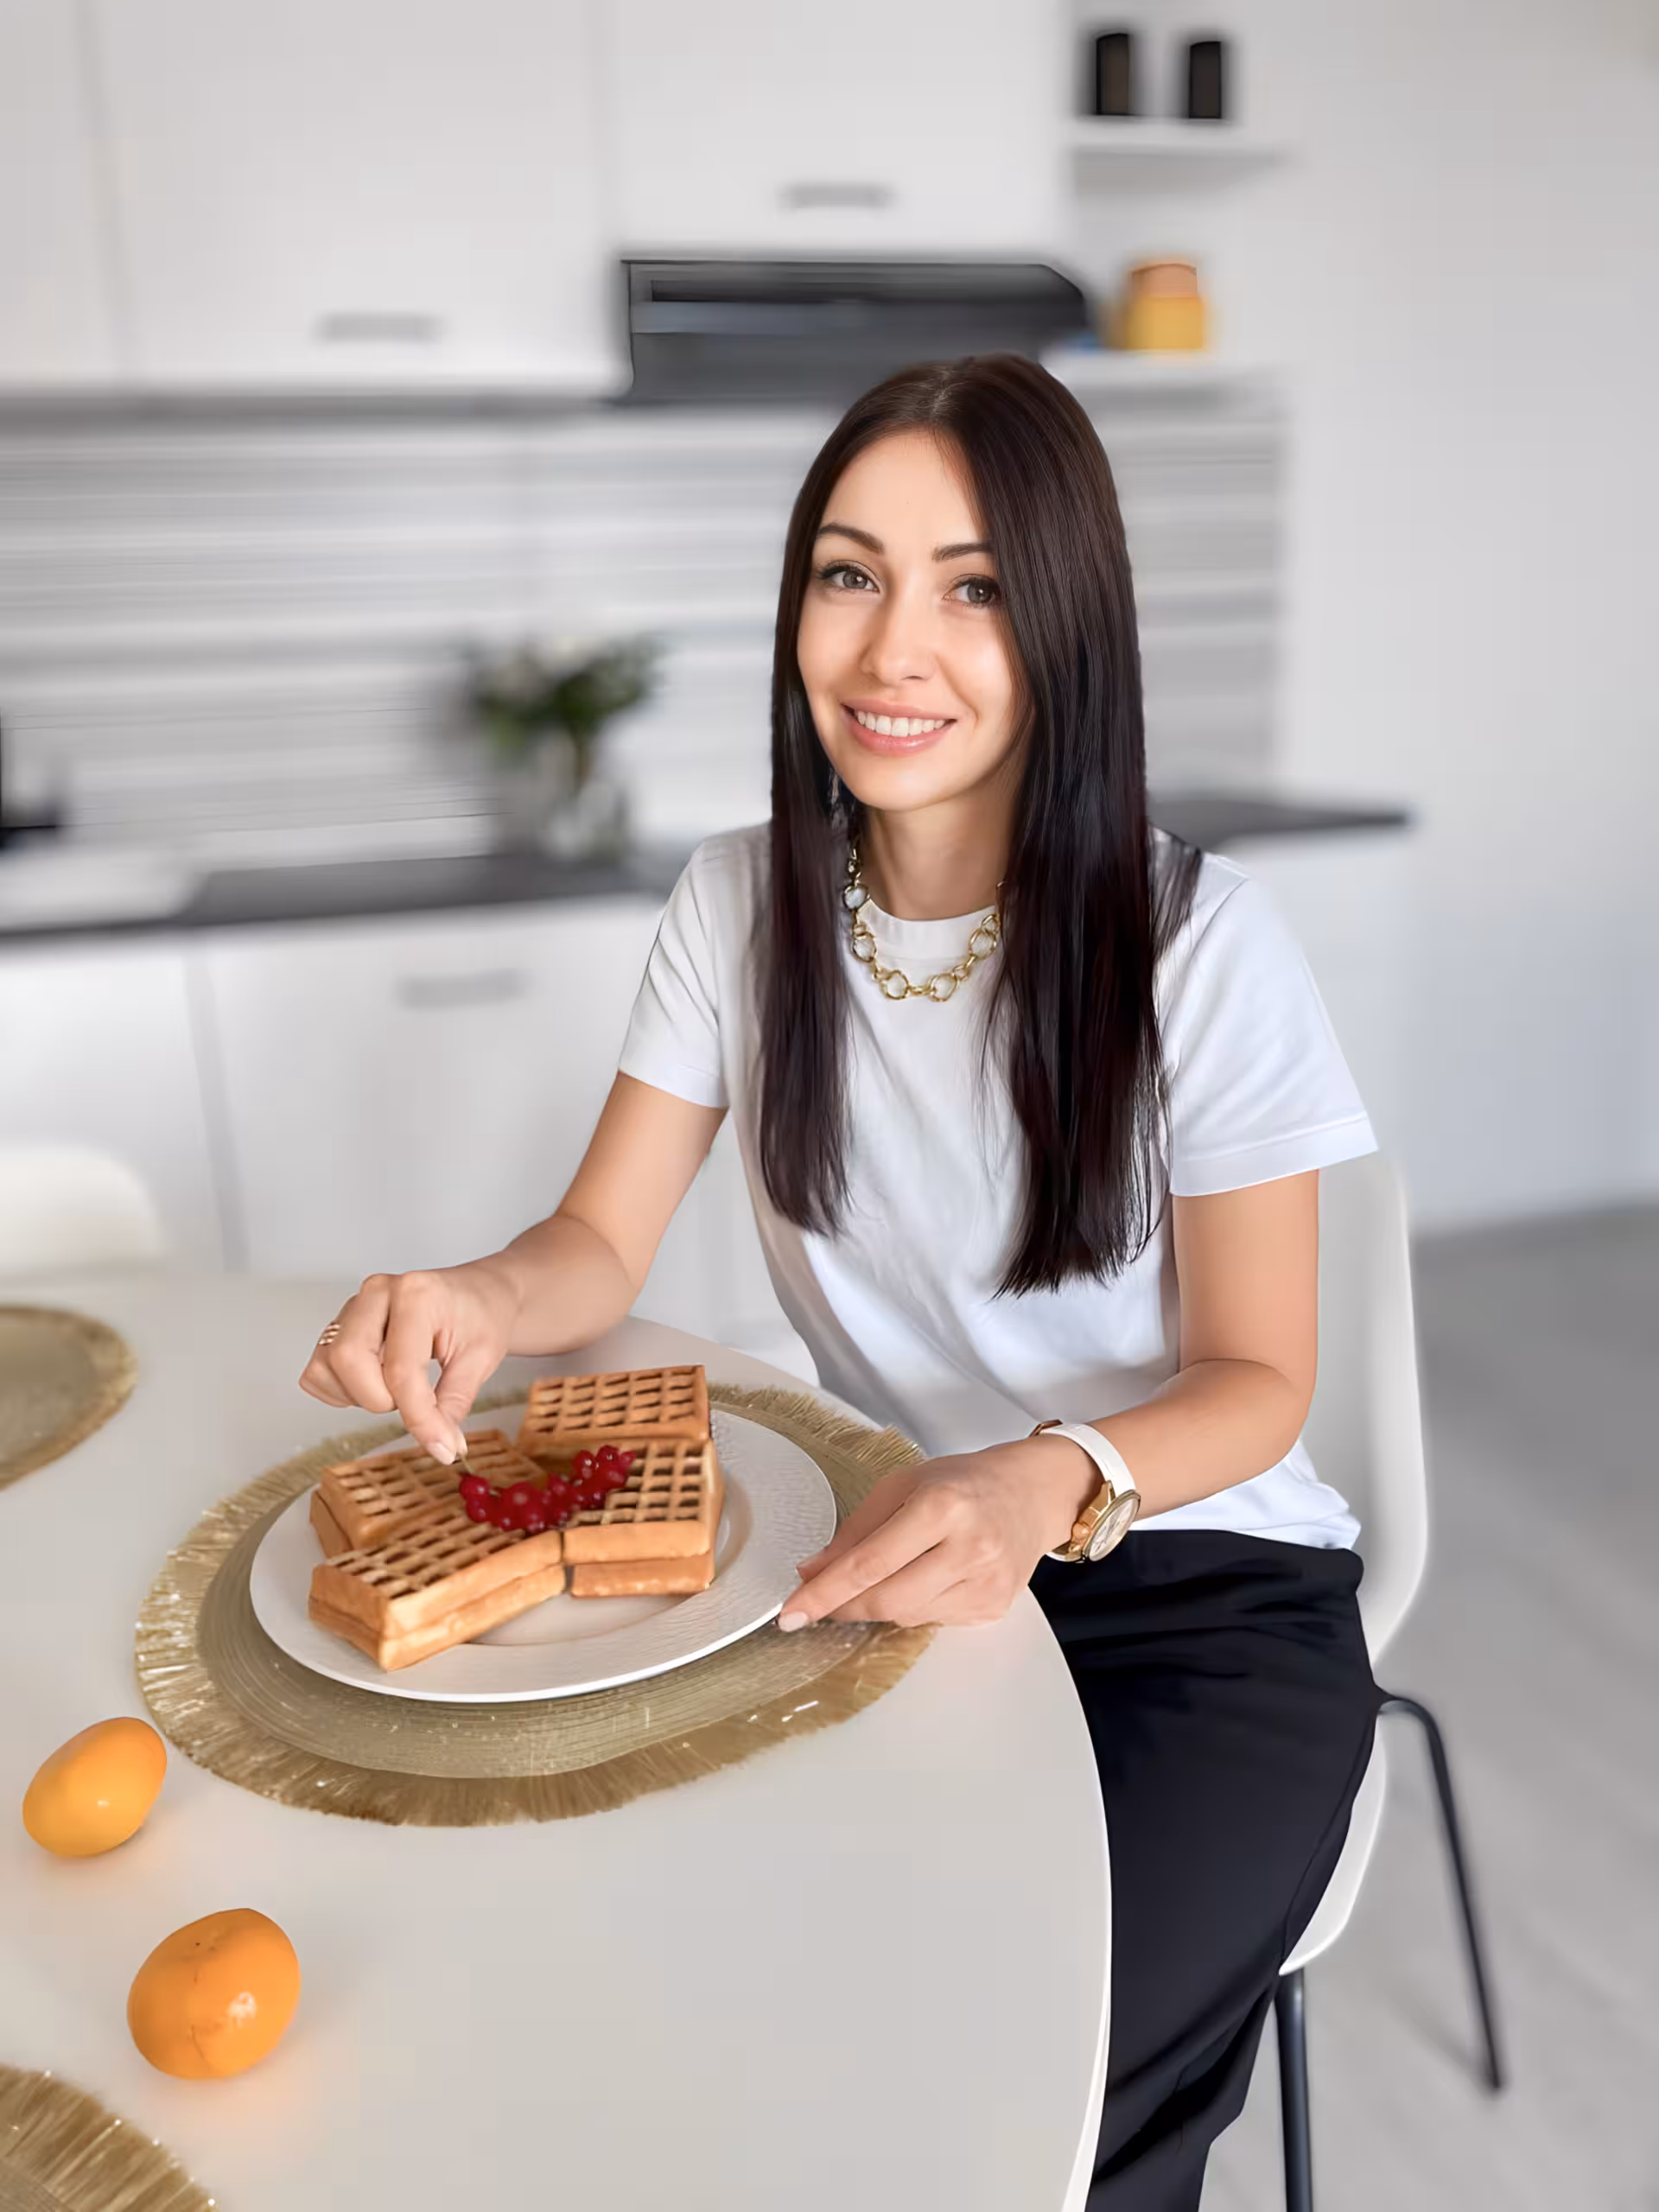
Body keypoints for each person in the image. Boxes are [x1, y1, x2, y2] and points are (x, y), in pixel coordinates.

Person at [301, 353, 1380, 2209]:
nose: (896, 648)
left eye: (971, 586)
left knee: (1024, 2102)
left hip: (1201, 1593)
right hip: (891, 1582)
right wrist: (480, 1286)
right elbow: (596, 1246)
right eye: (847, 571)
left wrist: (1049, 1473)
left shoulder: (1199, 940)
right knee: (725, 2042)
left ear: (1064, 625)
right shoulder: (737, 908)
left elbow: (1261, 1377)